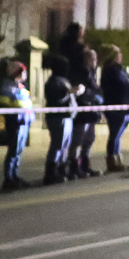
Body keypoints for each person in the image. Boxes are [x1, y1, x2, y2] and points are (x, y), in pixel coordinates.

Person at [0, 59, 33, 191]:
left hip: (24, 121)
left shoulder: (21, 87)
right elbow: (10, 102)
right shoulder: (7, 86)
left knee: (19, 151)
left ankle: (15, 176)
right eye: (22, 72)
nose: (25, 74)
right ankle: (8, 178)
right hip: (15, 122)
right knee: (13, 151)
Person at [100, 44, 129, 171]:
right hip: (117, 107)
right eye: (118, 54)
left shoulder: (120, 70)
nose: (120, 56)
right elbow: (122, 85)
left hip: (125, 106)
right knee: (115, 134)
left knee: (118, 134)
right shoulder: (111, 71)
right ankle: (112, 160)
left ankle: (118, 159)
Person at [42, 52, 76, 185]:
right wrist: (69, 93)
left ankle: (62, 169)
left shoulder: (64, 80)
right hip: (58, 117)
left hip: (67, 116)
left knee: (65, 145)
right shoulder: (53, 82)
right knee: (57, 145)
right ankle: (51, 172)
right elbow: (56, 99)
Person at [71, 47, 102, 177]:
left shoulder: (91, 73)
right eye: (92, 58)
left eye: (95, 58)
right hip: (82, 112)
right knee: (78, 141)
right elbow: (82, 92)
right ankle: (74, 167)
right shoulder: (81, 73)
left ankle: (85, 165)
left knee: (89, 140)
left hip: (91, 112)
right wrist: (93, 96)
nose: (95, 60)